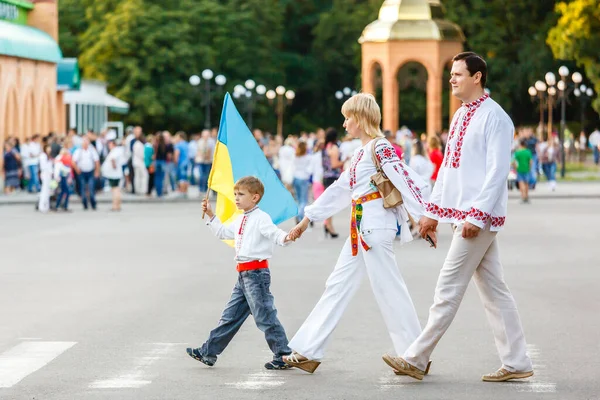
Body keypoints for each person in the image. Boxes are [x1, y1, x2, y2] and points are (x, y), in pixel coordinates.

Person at [383, 52, 533, 383]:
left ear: (477, 77)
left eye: (458, 74)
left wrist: (477, 216)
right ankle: (517, 361)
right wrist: (432, 214)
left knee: (448, 286)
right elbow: (449, 171)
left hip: (477, 220)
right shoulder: (461, 115)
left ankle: (417, 357)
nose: (451, 79)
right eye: (450, 74)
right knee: (495, 290)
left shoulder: (496, 118)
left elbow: (497, 173)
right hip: (462, 216)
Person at [284, 93, 431, 374]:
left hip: (374, 226)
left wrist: (425, 216)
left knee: (389, 289)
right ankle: (308, 350)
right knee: (337, 285)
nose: (344, 123)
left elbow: (404, 178)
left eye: (348, 117)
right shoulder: (363, 151)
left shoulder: (380, 147)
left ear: (361, 119)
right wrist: (308, 218)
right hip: (362, 226)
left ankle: (415, 356)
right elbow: (341, 188)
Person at [187, 176, 294, 370]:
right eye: (235, 194)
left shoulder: (261, 218)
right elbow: (223, 232)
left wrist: (287, 237)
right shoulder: (241, 218)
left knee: (265, 316)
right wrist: (211, 216)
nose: (236, 198)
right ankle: (208, 353)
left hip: (256, 274)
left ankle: (283, 355)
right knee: (230, 317)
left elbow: (275, 233)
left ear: (255, 197)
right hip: (243, 276)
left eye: (241, 194)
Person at [321, 128, 344, 238]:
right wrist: (345, 161)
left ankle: (328, 224)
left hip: (325, 176)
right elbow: (334, 164)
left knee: (328, 202)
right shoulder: (334, 148)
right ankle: (329, 225)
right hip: (333, 177)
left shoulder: (326, 147)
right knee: (331, 203)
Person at [73, 138, 100, 210]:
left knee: (91, 188)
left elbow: (96, 161)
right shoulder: (78, 151)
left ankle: (93, 203)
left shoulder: (92, 151)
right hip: (82, 172)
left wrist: (97, 171)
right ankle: (84, 203)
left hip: (90, 171)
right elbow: (73, 161)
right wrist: (77, 169)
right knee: (83, 188)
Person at [101, 140, 125, 211]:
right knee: (117, 189)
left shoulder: (115, 151)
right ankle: (118, 205)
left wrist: (113, 167)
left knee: (115, 190)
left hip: (114, 174)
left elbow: (113, 159)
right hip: (116, 173)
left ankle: (115, 205)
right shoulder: (118, 151)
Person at [293, 141, 312, 223]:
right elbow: (310, 169)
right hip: (303, 178)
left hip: (296, 177)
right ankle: (300, 215)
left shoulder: (295, 156)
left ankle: (298, 213)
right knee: (304, 200)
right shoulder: (308, 157)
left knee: (298, 199)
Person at [37, 145, 54, 213]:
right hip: (45, 174)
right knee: (44, 190)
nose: (50, 149)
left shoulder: (48, 156)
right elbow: (44, 166)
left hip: (48, 174)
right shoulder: (43, 156)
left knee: (47, 191)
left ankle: (46, 206)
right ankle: (42, 206)